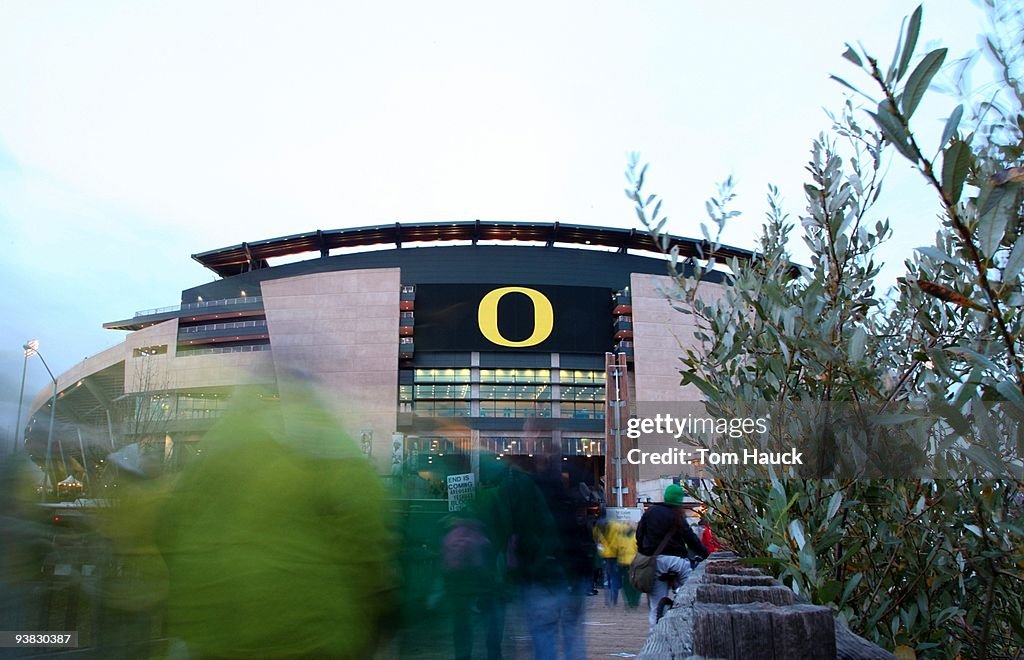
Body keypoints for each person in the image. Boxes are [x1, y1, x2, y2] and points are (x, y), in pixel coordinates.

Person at [635, 484, 708, 629]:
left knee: (656, 605)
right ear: (679, 500)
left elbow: (639, 535)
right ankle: (684, 602)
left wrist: (646, 551)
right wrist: (706, 555)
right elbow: (691, 539)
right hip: (676, 561)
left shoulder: (651, 512)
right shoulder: (678, 516)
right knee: (691, 587)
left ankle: (654, 632)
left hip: (655, 561)